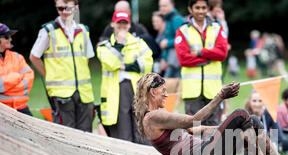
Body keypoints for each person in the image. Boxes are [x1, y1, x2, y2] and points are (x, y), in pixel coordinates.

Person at [133, 73, 288, 155]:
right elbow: (194, 119)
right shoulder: (153, 117)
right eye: (162, 89)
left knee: (253, 121)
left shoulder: (158, 115)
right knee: (241, 113)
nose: (166, 93)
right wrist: (219, 96)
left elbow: (195, 129)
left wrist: (224, 128)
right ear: (151, 91)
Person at [30, 0, 95, 132]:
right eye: (60, 8)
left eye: (67, 8)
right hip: (61, 95)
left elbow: (86, 58)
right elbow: (34, 57)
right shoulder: (48, 30)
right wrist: (48, 76)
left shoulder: (83, 30)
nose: (64, 12)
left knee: (87, 136)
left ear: (76, 7)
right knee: (65, 135)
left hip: (84, 93)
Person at [97, 10, 153, 143]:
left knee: (141, 130)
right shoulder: (104, 46)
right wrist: (120, 44)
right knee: (123, 134)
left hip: (137, 91)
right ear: (112, 24)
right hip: (116, 94)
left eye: (125, 23)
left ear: (129, 25)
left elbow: (148, 63)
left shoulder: (139, 43)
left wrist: (125, 66)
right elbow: (111, 63)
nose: (122, 26)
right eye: (119, 23)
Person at [175, 0, 228, 126]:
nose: (201, 11)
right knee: (194, 129)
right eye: (197, 8)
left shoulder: (216, 27)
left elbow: (222, 54)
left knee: (214, 129)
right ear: (190, 9)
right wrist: (210, 57)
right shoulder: (183, 30)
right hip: (192, 91)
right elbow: (183, 59)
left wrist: (200, 53)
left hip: (214, 90)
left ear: (208, 9)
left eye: (204, 8)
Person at [0, 23, 34, 116]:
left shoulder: (17, 57)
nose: (10, 39)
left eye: (10, 36)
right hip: (2, 111)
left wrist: (6, 89)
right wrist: (16, 77)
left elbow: (29, 78)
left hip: (21, 107)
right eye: (6, 37)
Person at [159, 0, 185, 78]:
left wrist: (167, 43)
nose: (162, 8)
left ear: (172, 5)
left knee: (170, 86)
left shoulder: (176, 19)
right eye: (160, 6)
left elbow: (182, 39)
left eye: (165, 6)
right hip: (170, 60)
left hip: (175, 62)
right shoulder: (168, 19)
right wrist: (164, 58)